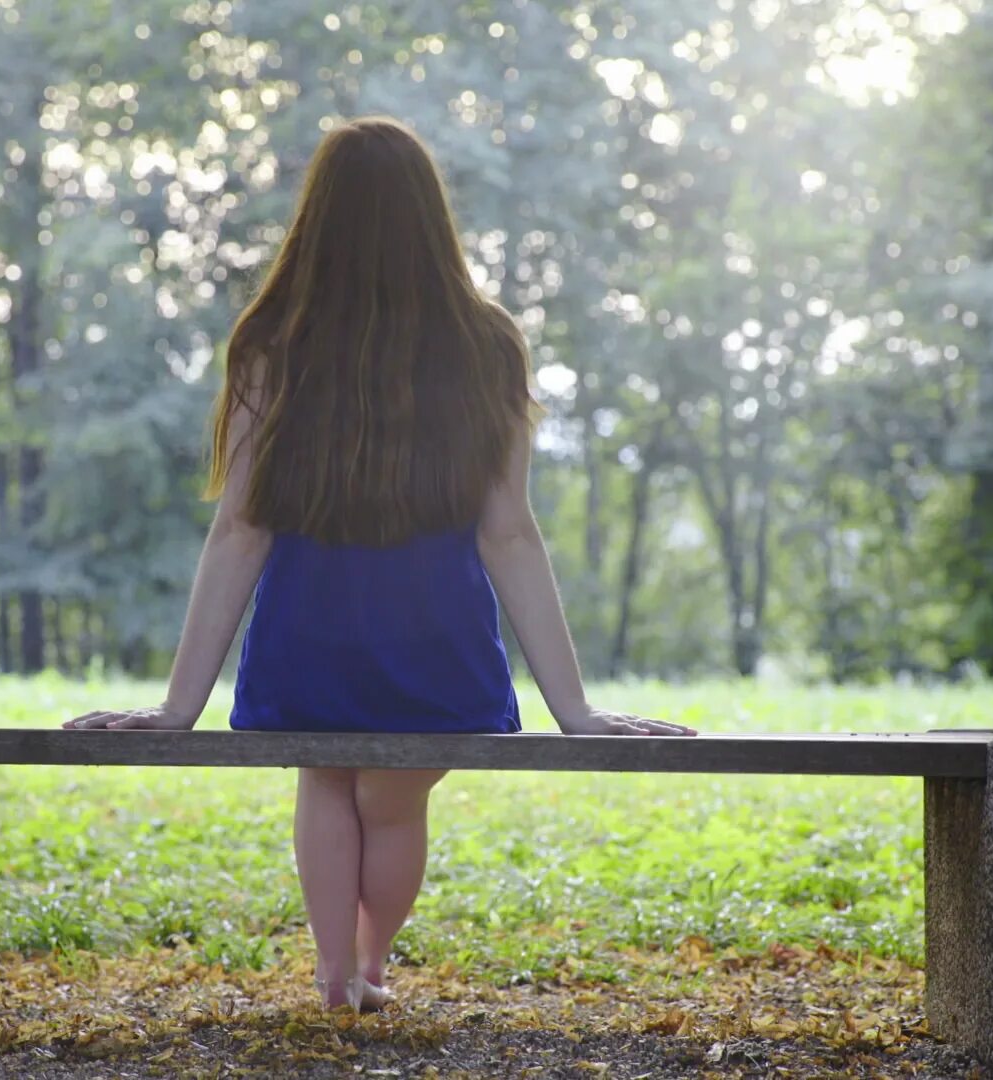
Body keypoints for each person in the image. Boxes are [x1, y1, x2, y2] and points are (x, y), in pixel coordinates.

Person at [64, 116, 696, 1010]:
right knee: (394, 803)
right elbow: (508, 531)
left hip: (308, 629)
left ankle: (333, 979)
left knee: (325, 781)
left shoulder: (269, 341)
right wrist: (575, 710)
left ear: (314, 217)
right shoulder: (489, 342)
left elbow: (239, 530)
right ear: (429, 216)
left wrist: (179, 704)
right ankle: (368, 969)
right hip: (435, 635)